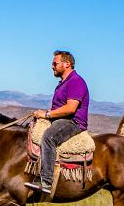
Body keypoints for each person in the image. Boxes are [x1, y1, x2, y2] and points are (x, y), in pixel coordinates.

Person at [24, 50, 90, 195]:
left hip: (73, 122)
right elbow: (59, 108)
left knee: (49, 137)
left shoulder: (76, 81)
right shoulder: (63, 83)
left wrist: (46, 114)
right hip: (61, 119)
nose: (52, 66)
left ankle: (46, 181)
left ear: (67, 64)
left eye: (55, 63)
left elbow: (70, 108)